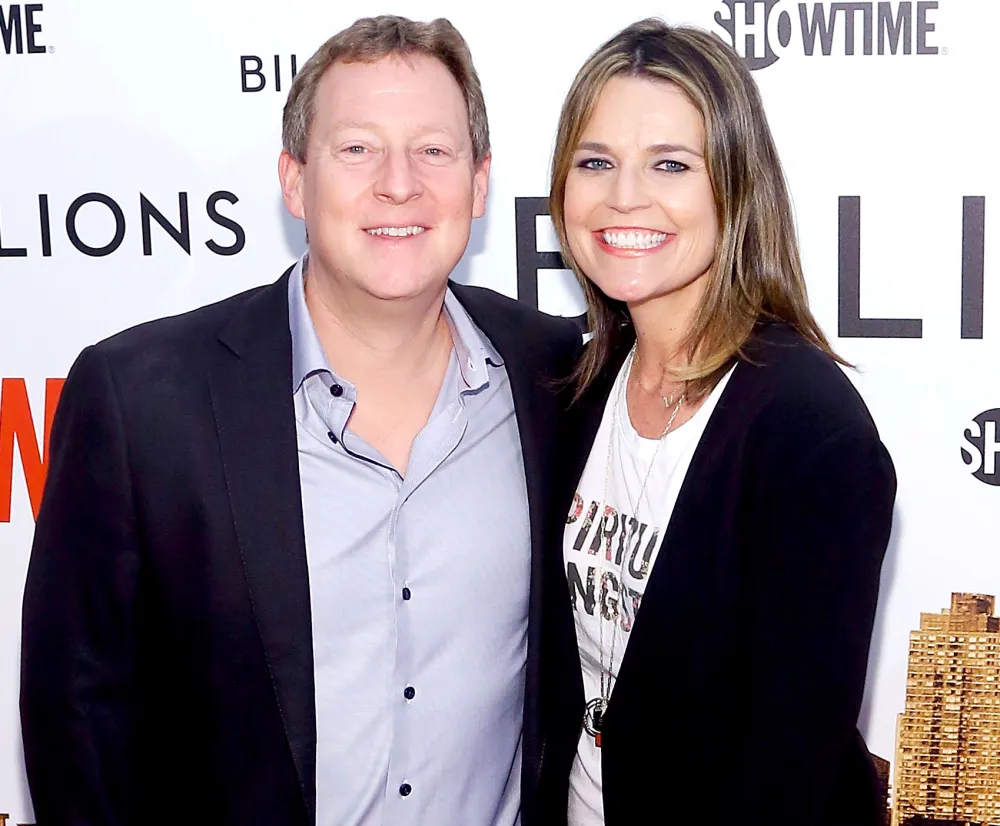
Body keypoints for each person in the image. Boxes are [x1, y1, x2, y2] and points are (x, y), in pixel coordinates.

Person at [20, 15, 580, 826]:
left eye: (434, 150)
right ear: (294, 181)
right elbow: (78, 726)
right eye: (357, 149)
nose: (399, 183)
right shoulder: (142, 399)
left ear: (481, 182)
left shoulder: (558, 374)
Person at [536, 19, 896, 826]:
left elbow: (786, 771)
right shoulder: (577, 385)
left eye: (670, 164)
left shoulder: (810, 434)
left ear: (733, 187)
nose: (624, 197)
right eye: (596, 162)